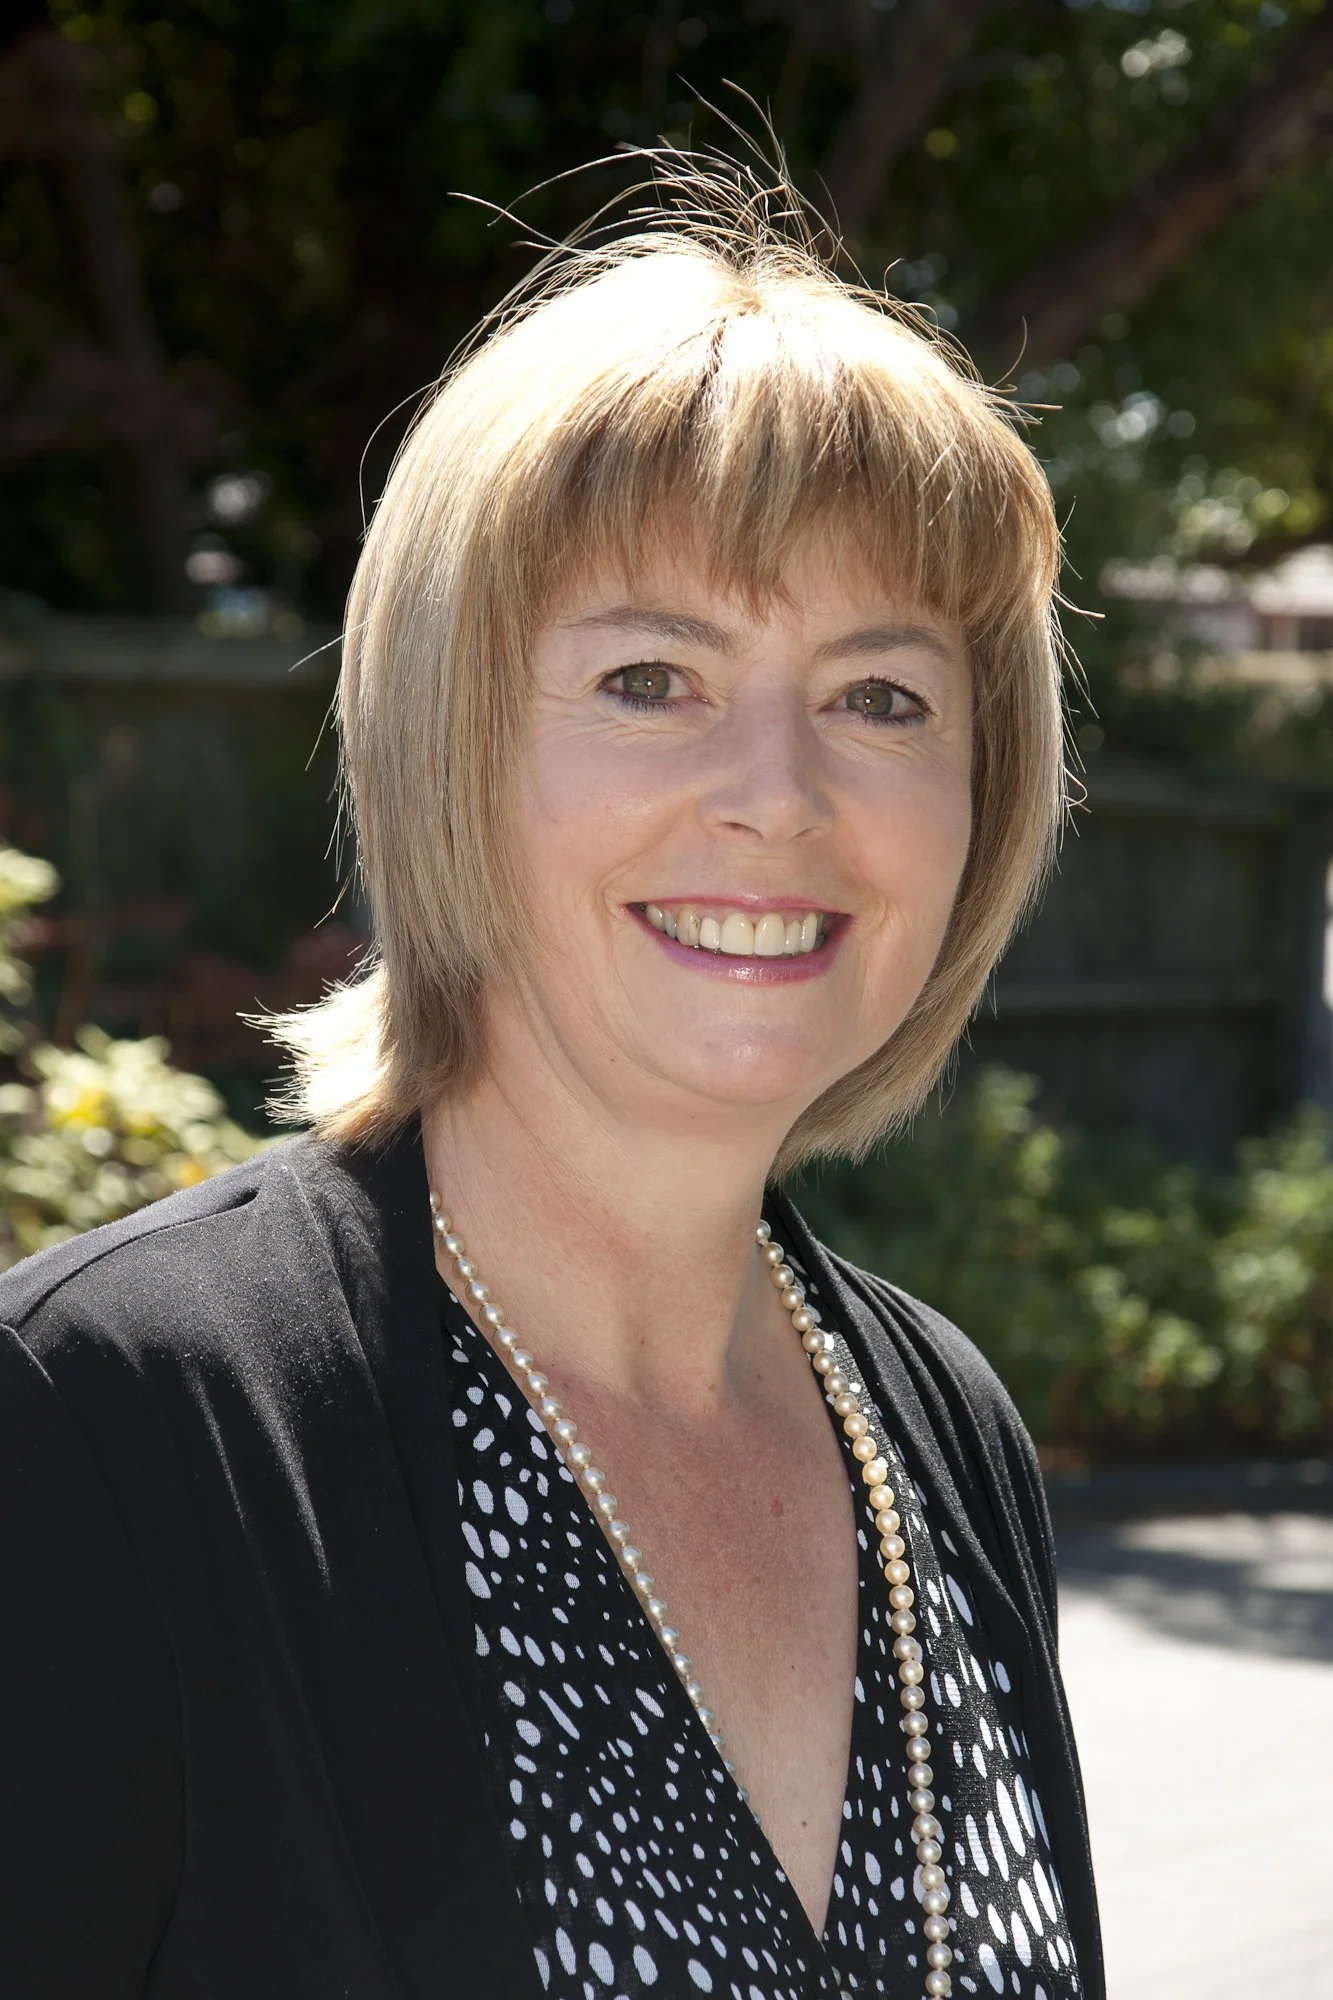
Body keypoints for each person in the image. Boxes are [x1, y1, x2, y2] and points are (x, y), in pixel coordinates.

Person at [0, 164, 1101, 2000]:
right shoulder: (102, 1431)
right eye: (653, 676)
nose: (780, 792)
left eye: (883, 697)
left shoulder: (945, 1437)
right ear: (450, 740)